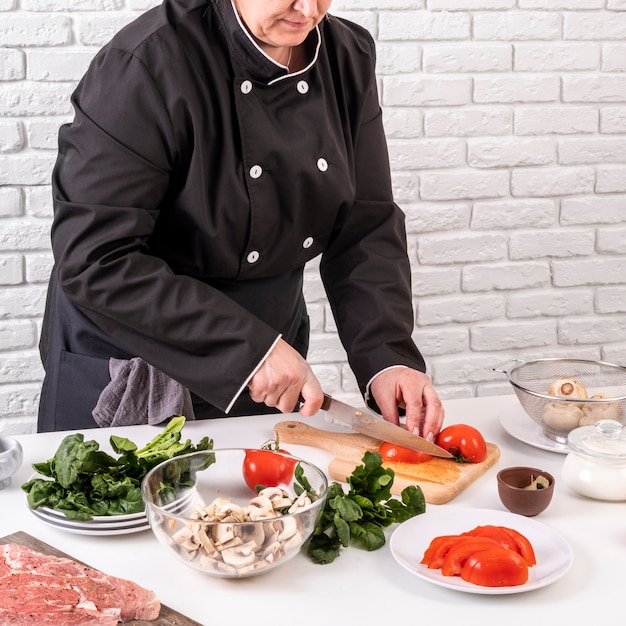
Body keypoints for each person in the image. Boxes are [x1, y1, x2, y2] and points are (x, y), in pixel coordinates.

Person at [37, 0, 445, 440]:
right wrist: (247, 348)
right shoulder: (145, 65)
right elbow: (96, 258)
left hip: (268, 365)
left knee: (251, 506)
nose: (308, 9)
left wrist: (386, 357)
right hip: (136, 353)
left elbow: (365, 222)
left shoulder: (347, 55)